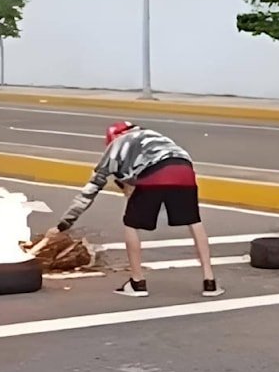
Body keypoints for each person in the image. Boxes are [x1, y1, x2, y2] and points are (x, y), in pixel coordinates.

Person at [47, 121, 223, 298]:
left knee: (131, 224)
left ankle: (137, 282)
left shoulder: (115, 147)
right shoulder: (155, 137)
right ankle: (210, 282)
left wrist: (63, 225)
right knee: (194, 221)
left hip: (154, 175)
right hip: (185, 172)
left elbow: (90, 191)